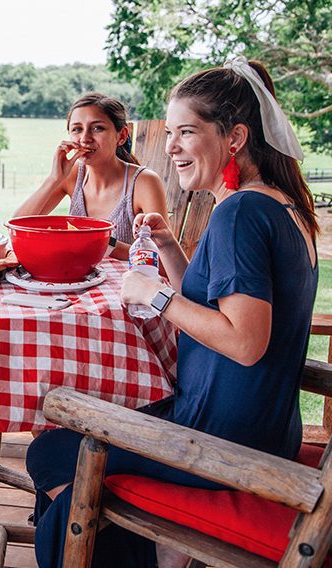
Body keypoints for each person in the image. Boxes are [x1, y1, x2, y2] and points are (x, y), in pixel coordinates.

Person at [26, 58, 318, 568]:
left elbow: (245, 342)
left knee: (49, 450)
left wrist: (152, 296)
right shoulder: (285, 208)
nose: (171, 145)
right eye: (171, 131)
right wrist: (167, 249)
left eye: (186, 131)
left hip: (221, 440)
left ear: (235, 138)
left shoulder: (240, 213)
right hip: (265, 429)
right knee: (74, 462)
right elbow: (220, 310)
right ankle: (143, 550)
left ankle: (146, 554)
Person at [13, 92, 168, 260]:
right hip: (76, 277)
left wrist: (104, 242)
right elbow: (17, 227)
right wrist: (54, 179)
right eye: (77, 129)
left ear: (121, 136)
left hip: (124, 283)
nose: (85, 138)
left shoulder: (144, 182)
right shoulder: (73, 175)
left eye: (97, 128)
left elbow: (163, 262)